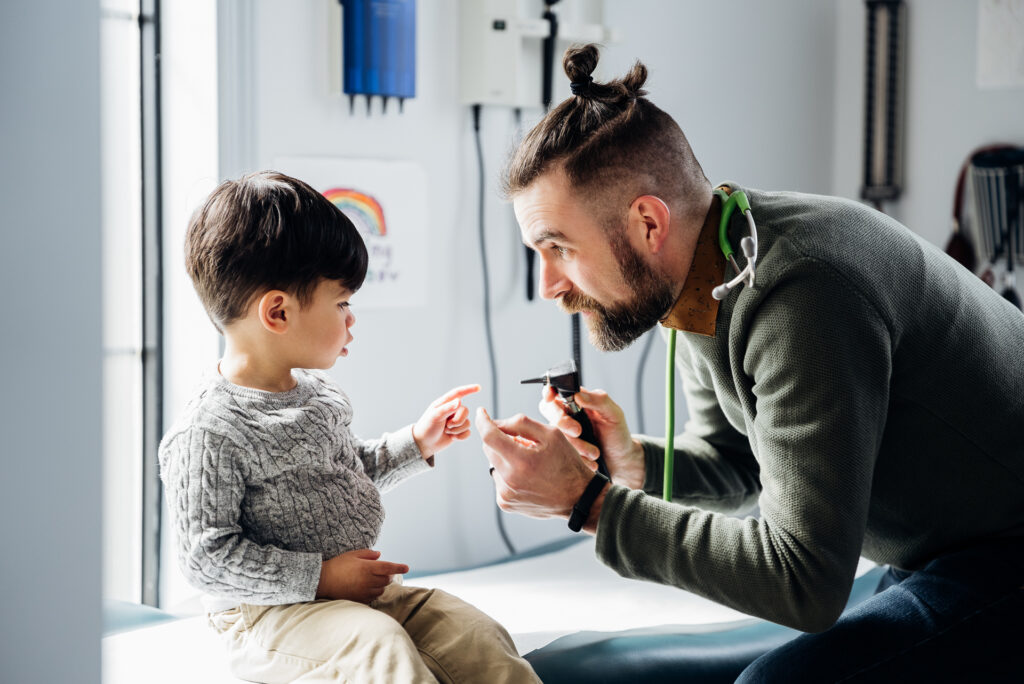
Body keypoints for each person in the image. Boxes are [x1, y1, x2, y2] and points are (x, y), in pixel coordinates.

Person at [476, 44, 1024, 681]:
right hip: (946, 545)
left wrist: (590, 503)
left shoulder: (802, 296)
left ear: (646, 224)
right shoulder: (704, 269)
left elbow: (806, 583)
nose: (548, 284)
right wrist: (634, 463)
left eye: (558, 248)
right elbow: (742, 464)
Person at [160, 171, 540, 684]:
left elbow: (347, 473)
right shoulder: (209, 431)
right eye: (342, 303)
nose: (351, 318)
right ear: (278, 312)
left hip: (347, 594)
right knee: (380, 649)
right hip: (268, 616)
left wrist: (417, 442)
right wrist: (319, 577)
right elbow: (206, 557)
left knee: (474, 633)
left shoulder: (316, 396)